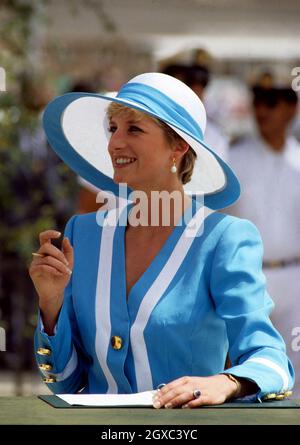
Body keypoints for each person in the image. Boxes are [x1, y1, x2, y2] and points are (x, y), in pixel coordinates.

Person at [29, 73, 294, 408]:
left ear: (179, 147)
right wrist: (50, 303)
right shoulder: (82, 234)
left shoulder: (224, 239)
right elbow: (65, 381)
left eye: (134, 129)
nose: (114, 143)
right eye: (113, 128)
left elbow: (272, 362)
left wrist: (227, 382)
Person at [228, 80, 300, 397]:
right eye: (257, 101)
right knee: (243, 366)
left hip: (293, 275)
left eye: (271, 102)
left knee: (296, 366)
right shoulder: (234, 157)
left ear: (291, 108)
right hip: (246, 275)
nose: (261, 110)